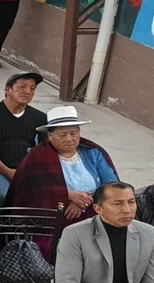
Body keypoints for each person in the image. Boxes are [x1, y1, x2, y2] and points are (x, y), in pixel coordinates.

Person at [7, 105, 119, 257]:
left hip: (95, 215)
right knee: (54, 249)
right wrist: (66, 195)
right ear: (50, 136)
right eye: (62, 134)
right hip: (52, 222)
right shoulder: (37, 157)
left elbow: (112, 186)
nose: (69, 139)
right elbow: (31, 192)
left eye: (73, 133)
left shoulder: (93, 152)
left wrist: (85, 202)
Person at [0, 70, 47, 200]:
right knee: (4, 194)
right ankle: (2, 221)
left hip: (27, 171)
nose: (28, 91)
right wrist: (9, 172)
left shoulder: (40, 118)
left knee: (45, 192)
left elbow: (44, 149)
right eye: (22, 87)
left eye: (32, 88)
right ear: (8, 90)